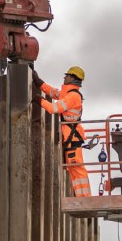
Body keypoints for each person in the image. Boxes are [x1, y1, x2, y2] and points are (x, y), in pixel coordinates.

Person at [32, 65, 90, 197]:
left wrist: (39, 100)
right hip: (70, 138)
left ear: (74, 78)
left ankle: (85, 198)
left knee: (78, 170)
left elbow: (53, 109)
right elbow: (52, 92)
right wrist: (38, 81)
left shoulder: (73, 96)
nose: (65, 77)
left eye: (67, 75)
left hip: (72, 138)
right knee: (74, 170)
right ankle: (82, 198)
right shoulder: (68, 94)